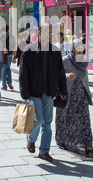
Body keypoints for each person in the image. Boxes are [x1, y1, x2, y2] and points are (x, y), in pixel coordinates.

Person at [19, 23, 67, 162]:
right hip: (34, 92)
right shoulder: (29, 50)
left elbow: (60, 73)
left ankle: (44, 151)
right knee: (38, 119)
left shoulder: (55, 51)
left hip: (49, 92)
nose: (50, 35)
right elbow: (23, 74)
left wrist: (62, 90)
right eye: (48, 32)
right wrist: (25, 93)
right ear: (39, 32)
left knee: (47, 123)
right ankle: (31, 138)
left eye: (52, 33)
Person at [56, 39, 93, 156]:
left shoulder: (83, 60)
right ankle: (63, 141)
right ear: (73, 48)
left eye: (81, 48)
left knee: (84, 118)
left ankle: (88, 145)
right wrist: (66, 76)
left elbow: (85, 77)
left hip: (81, 95)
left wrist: (89, 91)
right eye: (78, 48)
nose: (80, 51)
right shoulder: (65, 60)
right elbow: (57, 75)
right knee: (66, 118)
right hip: (67, 95)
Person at [1, 25, 16, 91]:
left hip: (3, 54)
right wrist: (14, 55)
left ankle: (4, 85)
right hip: (10, 54)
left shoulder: (1, 36)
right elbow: (14, 45)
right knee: (8, 68)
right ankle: (9, 82)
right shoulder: (12, 36)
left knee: (4, 70)